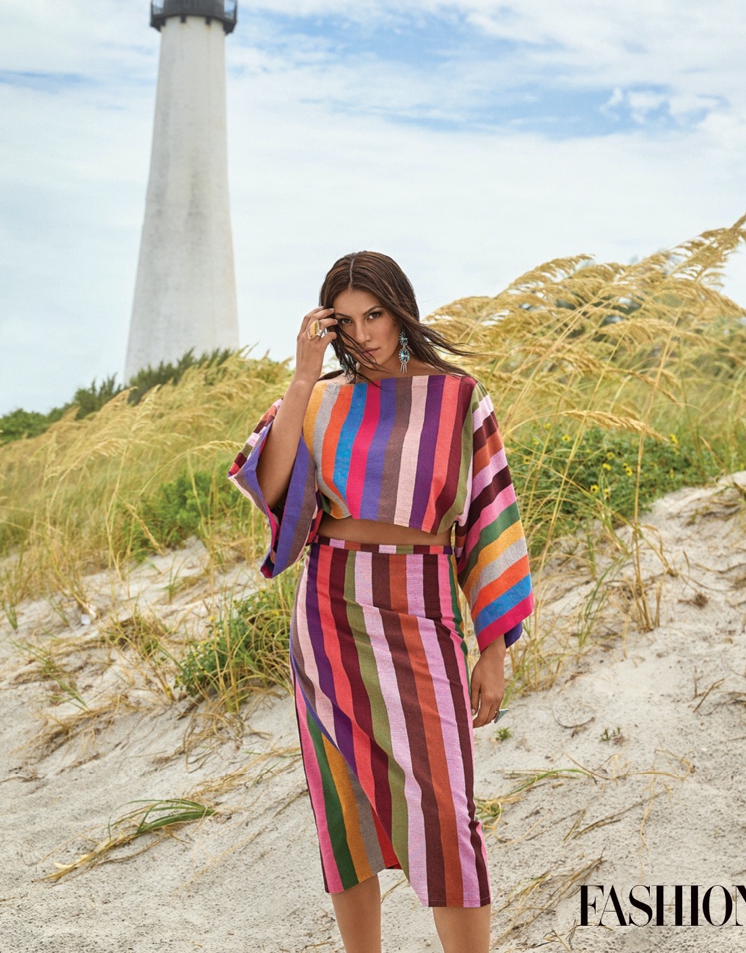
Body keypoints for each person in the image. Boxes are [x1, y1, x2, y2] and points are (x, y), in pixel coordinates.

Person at [228, 252, 533, 953]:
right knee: (343, 805)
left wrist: (492, 651)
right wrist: (304, 377)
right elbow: (274, 490)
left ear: (402, 310)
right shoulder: (320, 399)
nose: (366, 334)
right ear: (327, 325)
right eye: (349, 320)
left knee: (446, 807)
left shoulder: (459, 398)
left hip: (421, 608)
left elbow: (487, 521)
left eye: (378, 315)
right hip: (330, 606)